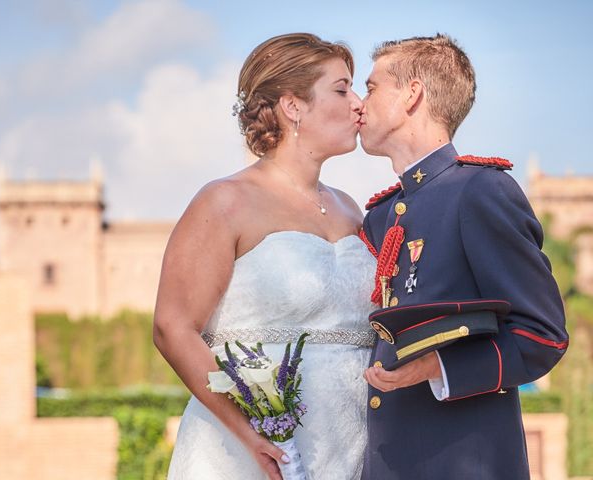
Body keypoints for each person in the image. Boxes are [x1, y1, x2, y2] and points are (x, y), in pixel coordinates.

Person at [153, 33, 376, 479]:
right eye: (341, 88)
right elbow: (172, 327)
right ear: (293, 105)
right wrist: (252, 433)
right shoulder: (225, 202)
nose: (358, 103)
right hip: (247, 451)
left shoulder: (352, 209)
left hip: (348, 447)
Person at [358, 34, 569, 480]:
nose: (360, 103)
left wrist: (436, 367)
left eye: (372, 87)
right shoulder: (380, 215)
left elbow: (542, 335)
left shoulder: (480, 191)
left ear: (412, 93)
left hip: (462, 464)